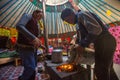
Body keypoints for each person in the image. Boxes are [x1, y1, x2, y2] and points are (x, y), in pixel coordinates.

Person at [61, 0, 119, 80]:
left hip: (105, 41)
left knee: (100, 70)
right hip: (103, 43)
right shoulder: (78, 22)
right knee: (108, 69)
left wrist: (82, 45)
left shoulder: (82, 15)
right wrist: (77, 45)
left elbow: (96, 29)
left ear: (71, 14)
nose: (69, 23)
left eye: (68, 20)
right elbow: (81, 38)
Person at [16, 10, 45, 80]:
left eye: (41, 17)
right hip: (25, 47)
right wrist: (33, 38)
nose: (40, 17)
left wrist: (41, 45)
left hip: (33, 49)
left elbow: (34, 39)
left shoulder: (36, 23)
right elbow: (19, 26)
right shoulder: (28, 16)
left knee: (33, 67)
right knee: (30, 67)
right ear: (35, 13)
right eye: (39, 15)